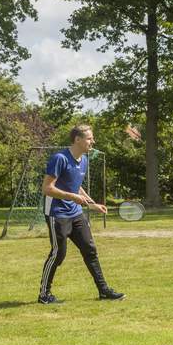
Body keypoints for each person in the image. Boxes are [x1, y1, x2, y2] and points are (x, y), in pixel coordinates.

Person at [37, 125, 124, 304]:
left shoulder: (83, 159)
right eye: (89, 138)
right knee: (58, 254)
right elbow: (47, 188)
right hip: (57, 213)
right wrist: (72, 197)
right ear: (77, 139)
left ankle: (104, 290)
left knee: (90, 250)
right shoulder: (59, 158)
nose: (93, 142)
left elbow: (75, 185)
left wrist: (92, 205)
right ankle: (44, 295)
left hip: (75, 213)